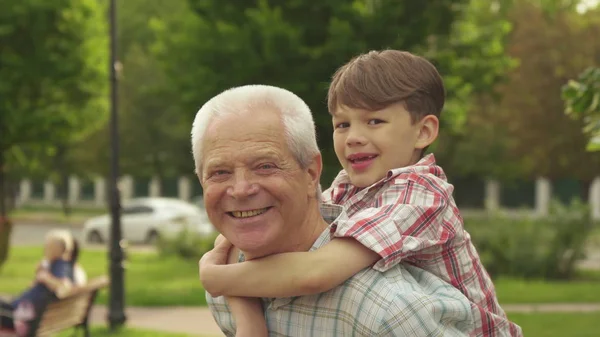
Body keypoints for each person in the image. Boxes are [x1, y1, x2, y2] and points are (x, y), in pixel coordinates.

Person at [199, 50, 523, 337]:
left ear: (423, 131)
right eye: (343, 125)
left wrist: (217, 279)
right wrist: (248, 318)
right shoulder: (349, 187)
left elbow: (316, 272)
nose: (354, 137)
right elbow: (242, 238)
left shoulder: (421, 194)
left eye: (374, 121)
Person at [0, 230, 75, 334]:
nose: (45, 249)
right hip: (19, 311)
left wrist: (45, 277)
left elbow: (65, 287)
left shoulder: (61, 265)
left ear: (57, 249)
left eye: (48, 245)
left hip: (18, 317)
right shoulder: (54, 265)